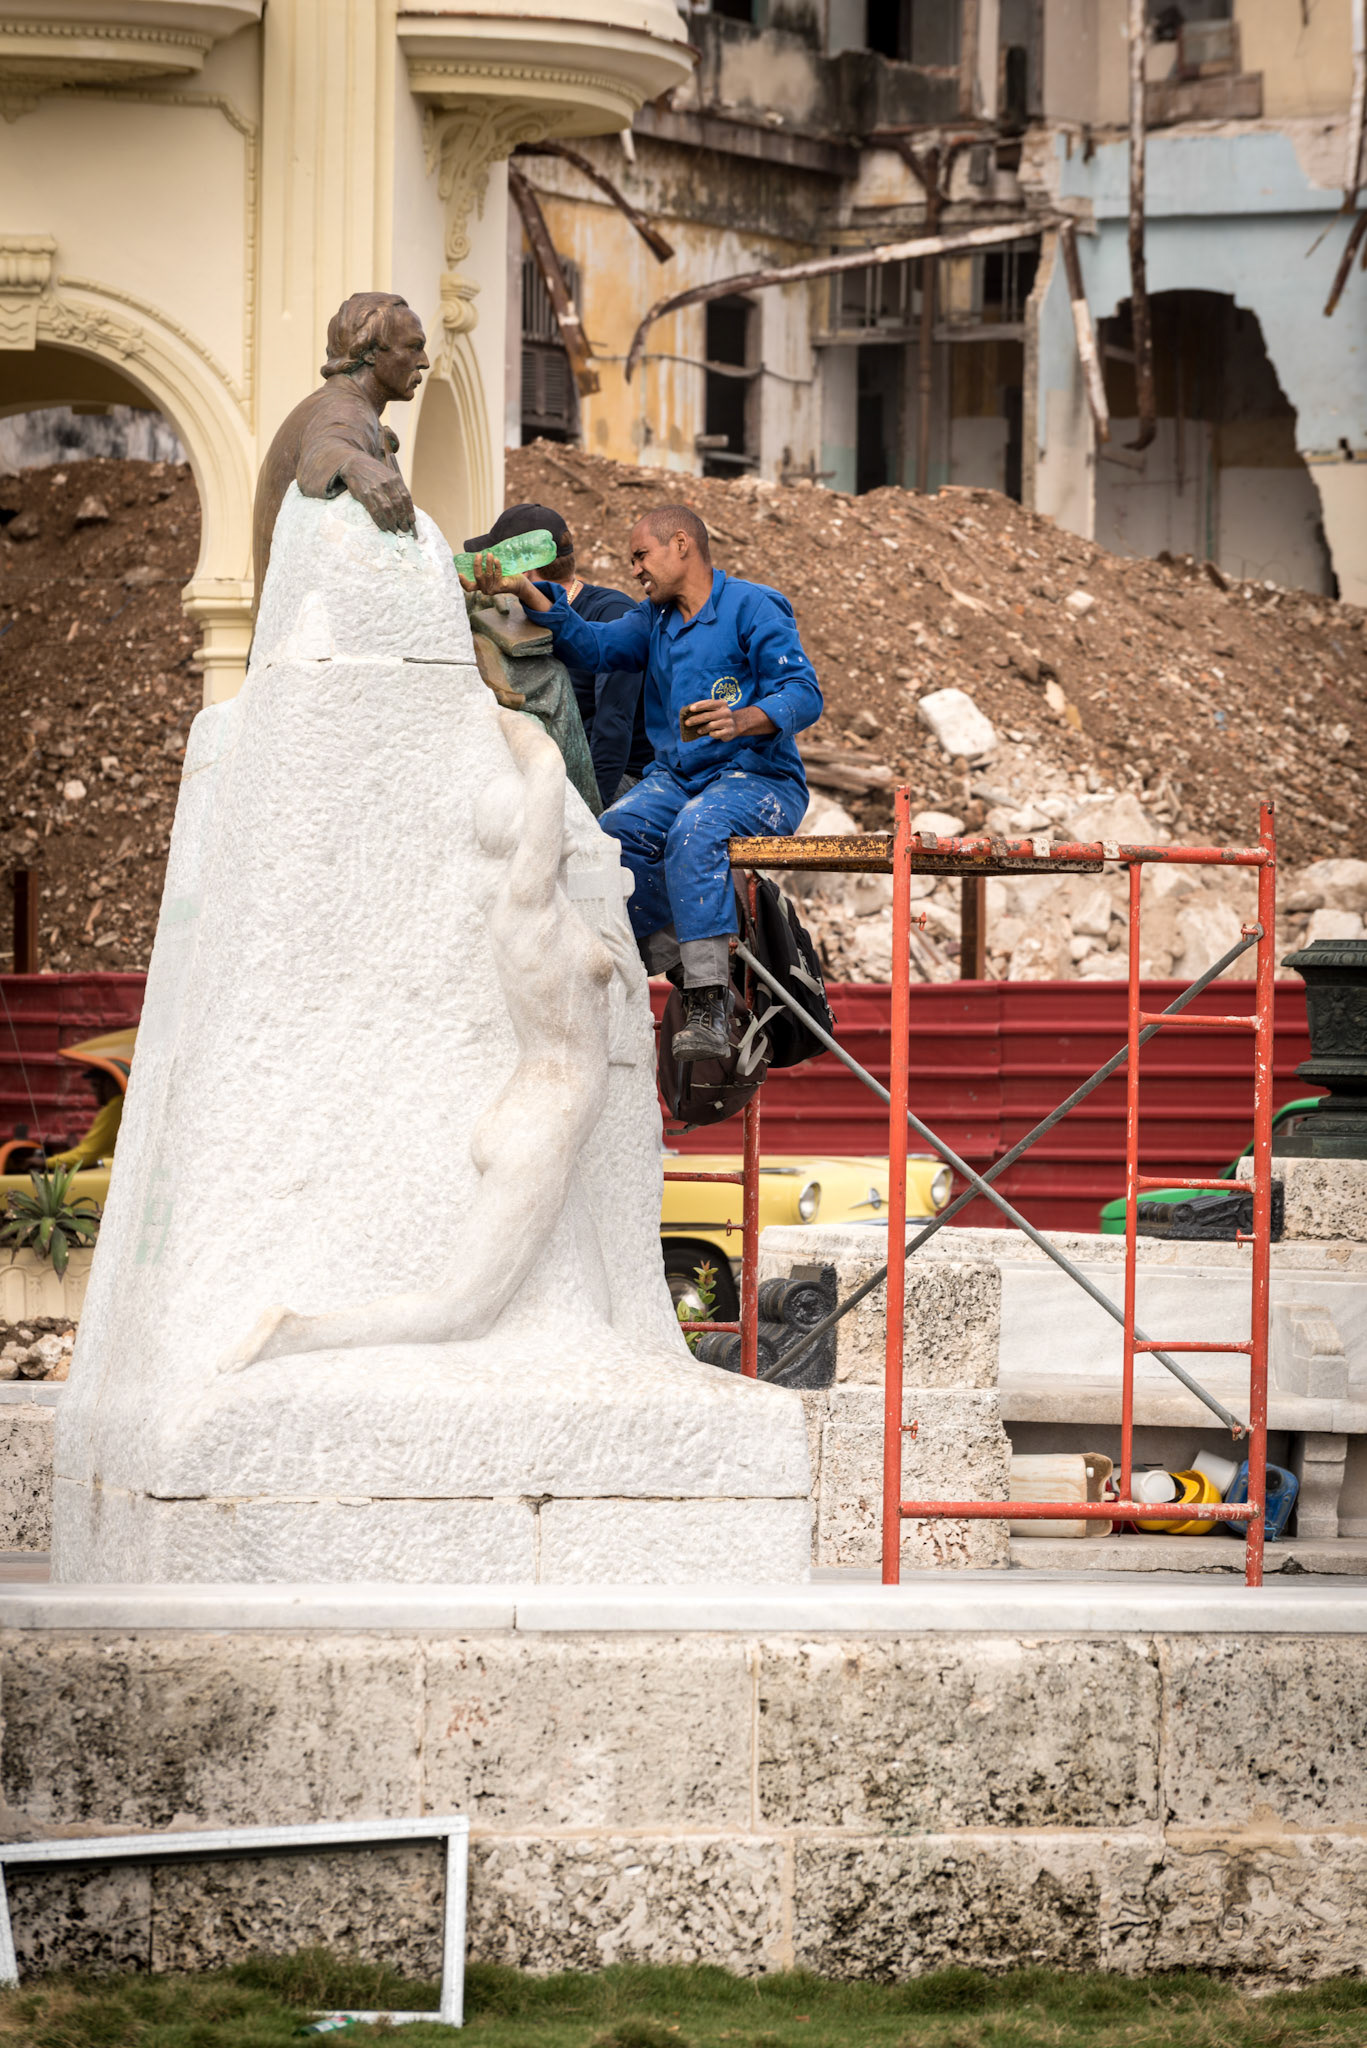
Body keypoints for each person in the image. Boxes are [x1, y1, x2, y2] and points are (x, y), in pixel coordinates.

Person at [469, 504, 821, 1061]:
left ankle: (708, 1001)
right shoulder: (653, 619)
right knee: (609, 837)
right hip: (680, 776)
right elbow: (593, 647)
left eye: (641, 556)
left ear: (681, 545)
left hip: (757, 778)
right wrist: (525, 590)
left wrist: (744, 719)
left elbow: (804, 693)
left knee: (695, 830)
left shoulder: (753, 606)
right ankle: (669, 957)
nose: (634, 570)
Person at [462, 501, 648, 808]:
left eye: (497, 562)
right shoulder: (517, 614)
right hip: (550, 764)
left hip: (617, 779)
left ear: (524, 566)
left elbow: (613, 725)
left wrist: (590, 811)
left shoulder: (612, 612)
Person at [252, 292, 429, 607]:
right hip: (306, 636)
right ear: (371, 352)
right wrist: (354, 464)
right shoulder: (343, 407)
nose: (425, 361)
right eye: (414, 347)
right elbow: (325, 448)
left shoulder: (350, 408)